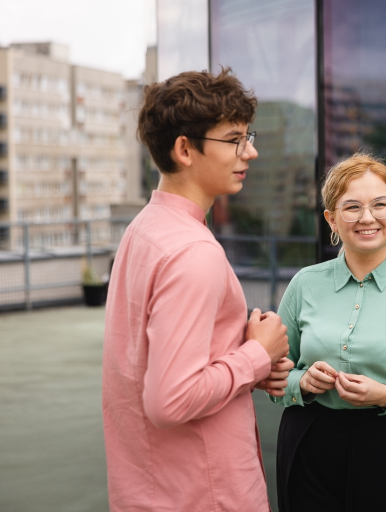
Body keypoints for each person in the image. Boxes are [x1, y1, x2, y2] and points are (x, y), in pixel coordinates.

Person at [102, 68, 293, 512]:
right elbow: (169, 400)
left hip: (150, 490)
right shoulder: (192, 251)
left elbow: (150, 365)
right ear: (185, 149)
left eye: (249, 136)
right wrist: (256, 356)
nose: (252, 151)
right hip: (203, 494)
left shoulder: (143, 230)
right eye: (234, 139)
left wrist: (241, 357)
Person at [270, 152, 386, 512]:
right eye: (352, 207)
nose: (367, 217)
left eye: (379, 205)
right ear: (331, 218)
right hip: (310, 446)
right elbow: (275, 378)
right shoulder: (303, 285)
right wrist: (303, 383)